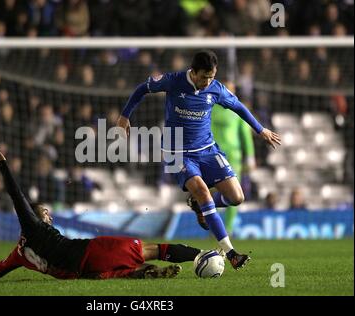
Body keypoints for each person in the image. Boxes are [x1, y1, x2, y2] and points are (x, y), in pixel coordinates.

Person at [117, 50, 281, 270]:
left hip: (207, 149)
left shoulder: (216, 89)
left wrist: (261, 130)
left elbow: (239, 107)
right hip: (177, 151)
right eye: (204, 76)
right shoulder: (173, 81)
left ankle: (200, 205)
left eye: (211, 76)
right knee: (203, 191)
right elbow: (142, 89)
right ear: (193, 72)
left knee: (237, 197)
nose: (208, 81)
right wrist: (125, 116)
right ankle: (230, 252)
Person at [0, 145, 201, 281]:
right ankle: (201, 255)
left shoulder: (18, 254)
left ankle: (142, 272)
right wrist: (3, 165)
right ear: (34, 215)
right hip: (88, 253)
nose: (49, 216)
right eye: (45, 212)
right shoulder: (33, 226)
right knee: (149, 249)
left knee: (118, 269)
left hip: (80, 271)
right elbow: (18, 198)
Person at [211, 81, 256, 235]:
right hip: (213, 154)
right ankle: (213, 226)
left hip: (233, 155)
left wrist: (250, 156)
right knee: (211, 191)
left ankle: (228, 229)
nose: (229, 91)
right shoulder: (210, 106)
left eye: (232, 88)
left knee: (234, 193)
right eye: (227, 88)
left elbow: (245, 134)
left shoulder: (238, 108)